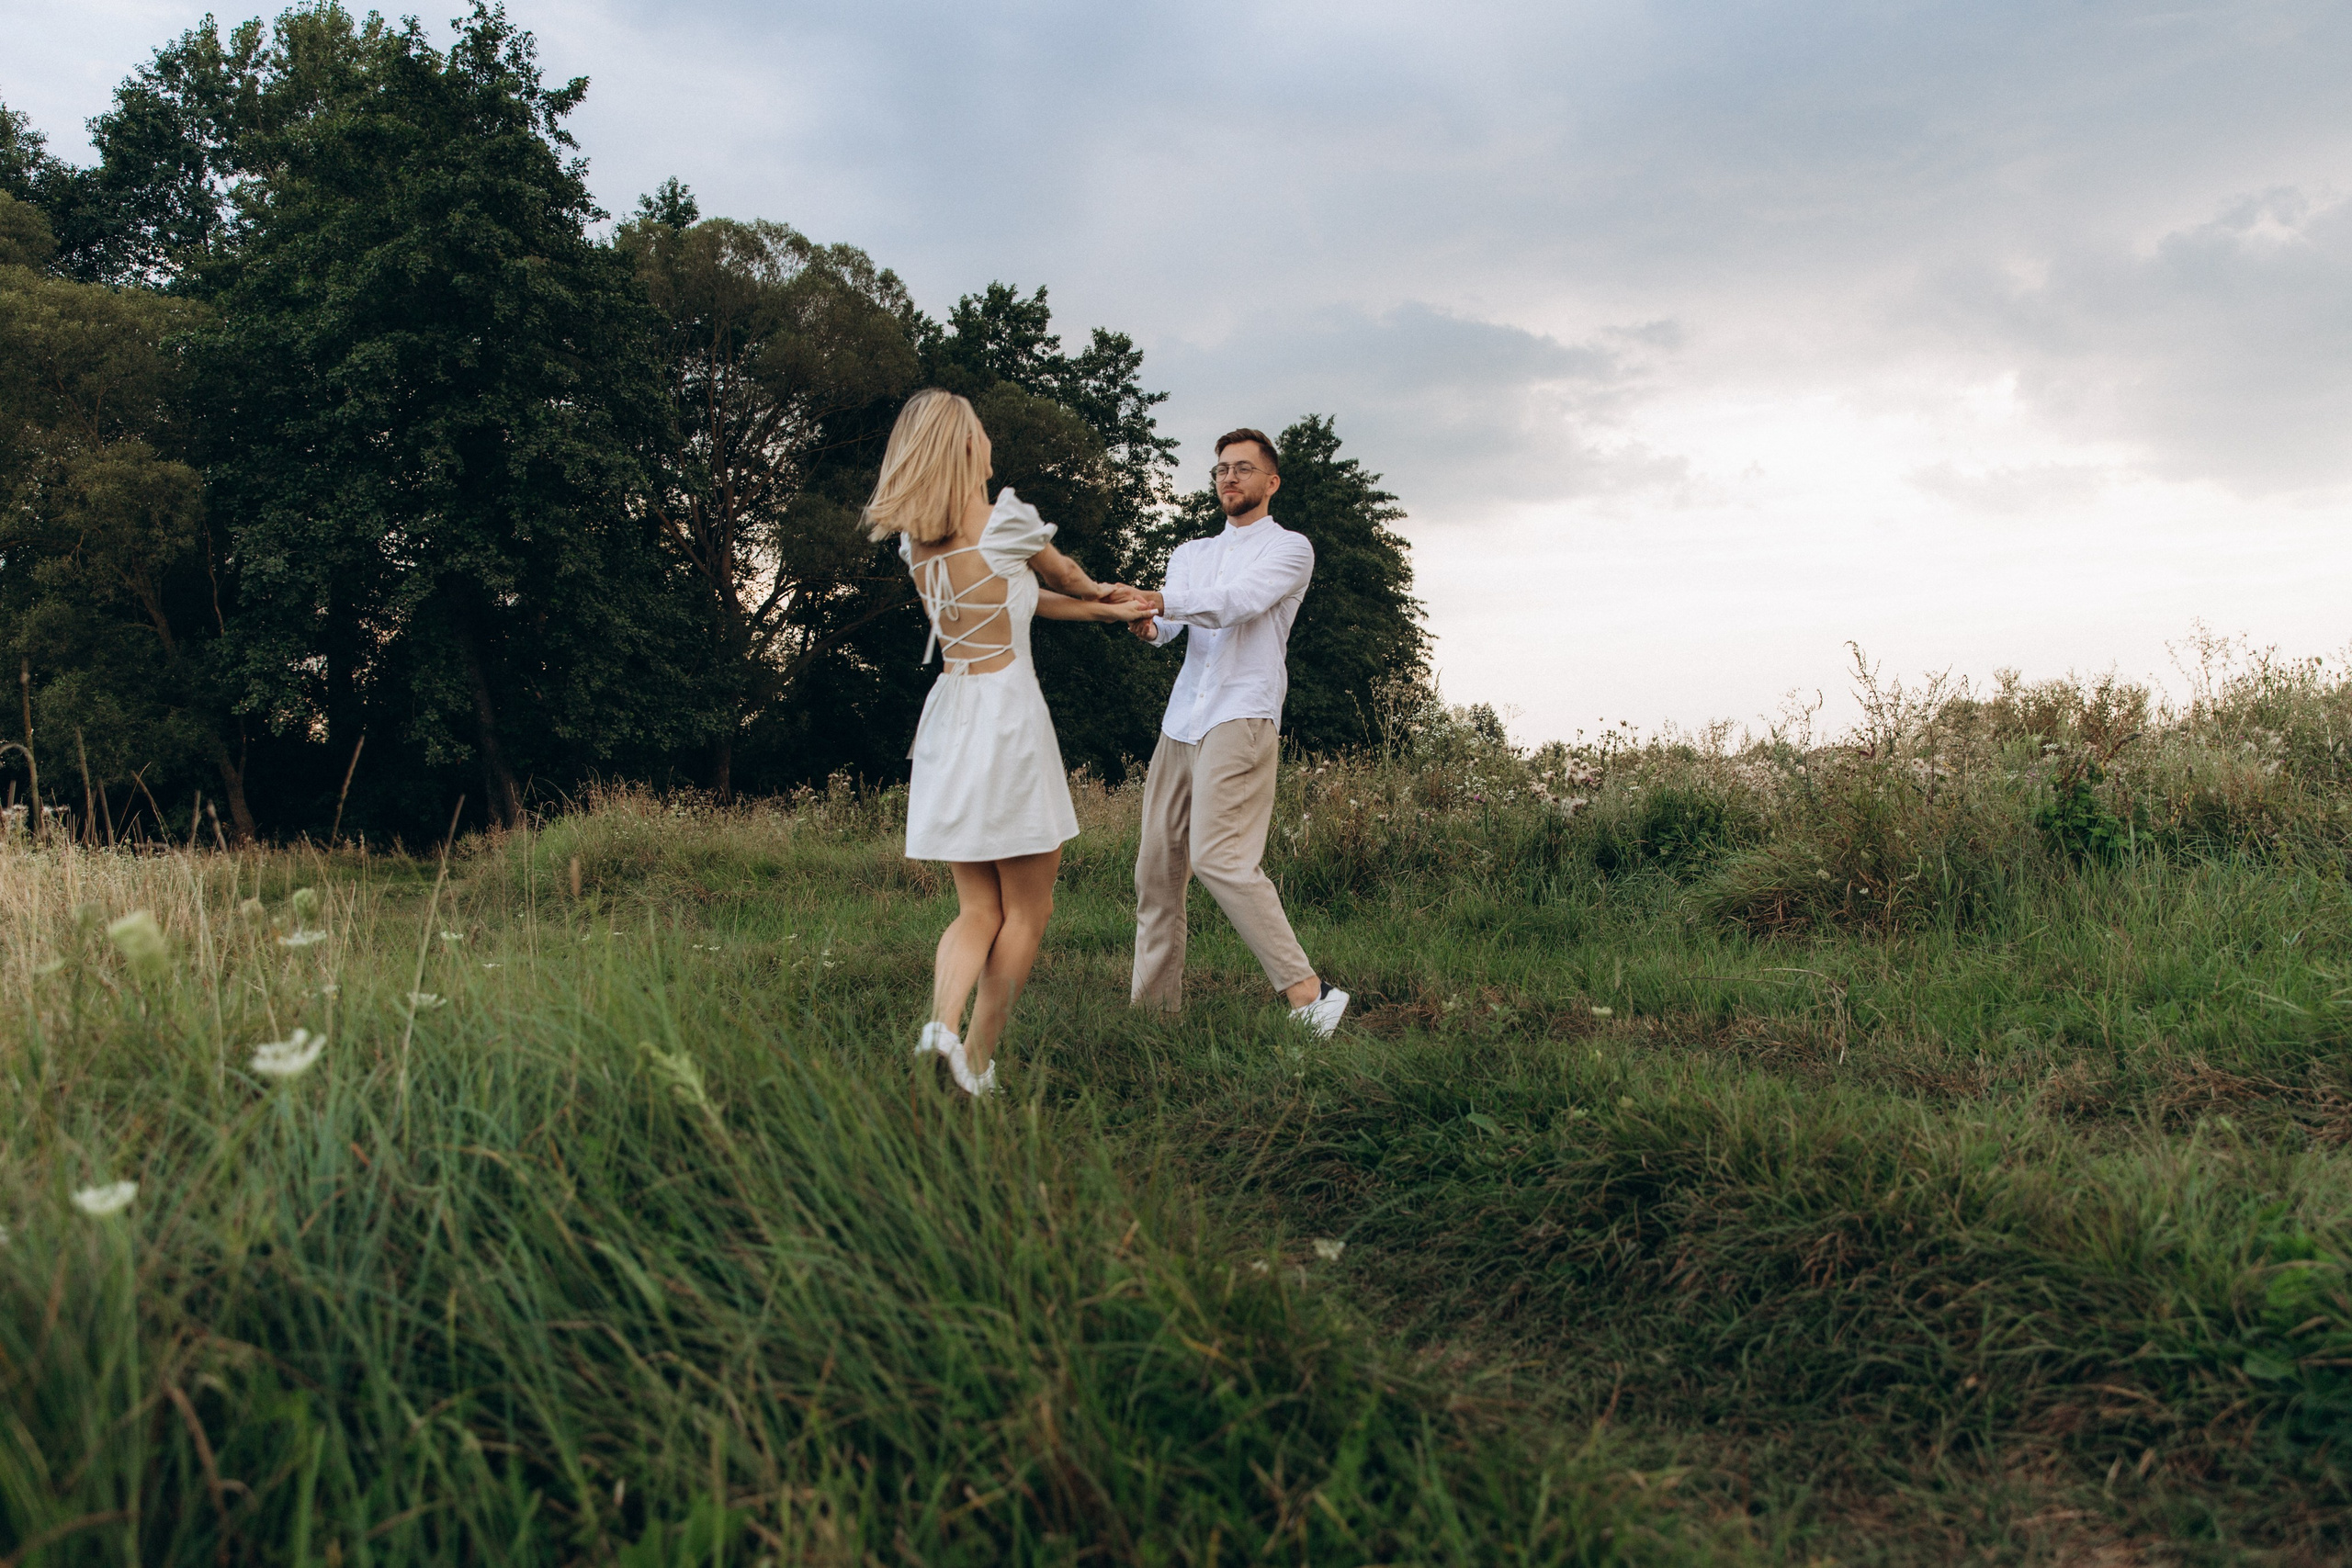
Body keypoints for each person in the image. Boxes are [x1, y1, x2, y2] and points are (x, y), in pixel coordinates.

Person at [865, 389, 1154, 1095]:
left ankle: (939, 1026)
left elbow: (1020, 596)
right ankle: (978, 1061)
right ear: (966, 445)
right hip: (1008, 719)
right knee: (1029, 909)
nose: (991, 443)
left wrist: (1098, 615)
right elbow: (1062, 576)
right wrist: (1111, 595)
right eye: (983, 433)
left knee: (976, 910)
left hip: (951, 718)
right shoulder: (1008, 521)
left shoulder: (916, 540)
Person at [1124, 428, 1349, 1036]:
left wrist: (1160, 598)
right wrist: (1145, 624)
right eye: (1222, 468)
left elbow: (1236, 602)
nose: (1229, 477)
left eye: (1243, 468)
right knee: (1156, 870)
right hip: (1183, 720)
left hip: (1241, 714)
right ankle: (1153, 1016)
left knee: (1220, 855)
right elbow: (1171, 629)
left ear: (1270, 482)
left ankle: (1312, 993)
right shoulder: (1190, 552)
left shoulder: (1290, 549)